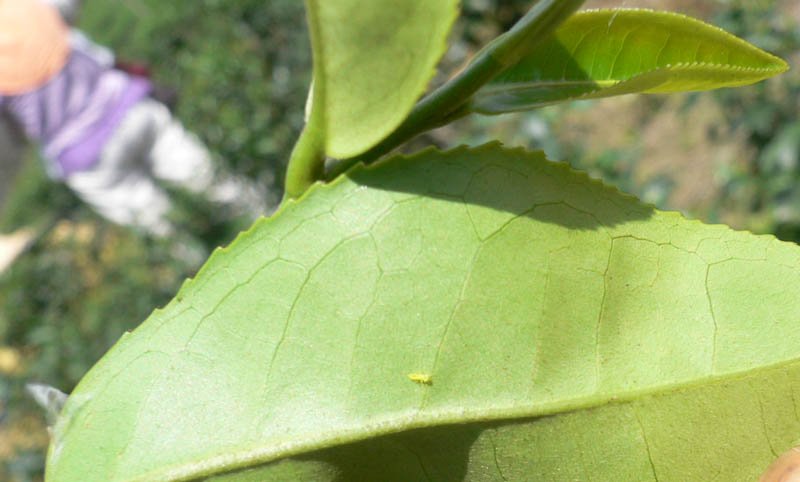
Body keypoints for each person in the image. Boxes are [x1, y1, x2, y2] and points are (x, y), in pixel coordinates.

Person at [0, 0, 266, 237]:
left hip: (86, 156)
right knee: (207, 175)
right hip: (129, 107)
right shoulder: (26, 9)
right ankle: (271, 215)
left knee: (160, 224)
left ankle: (203, 268)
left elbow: (11, 141)